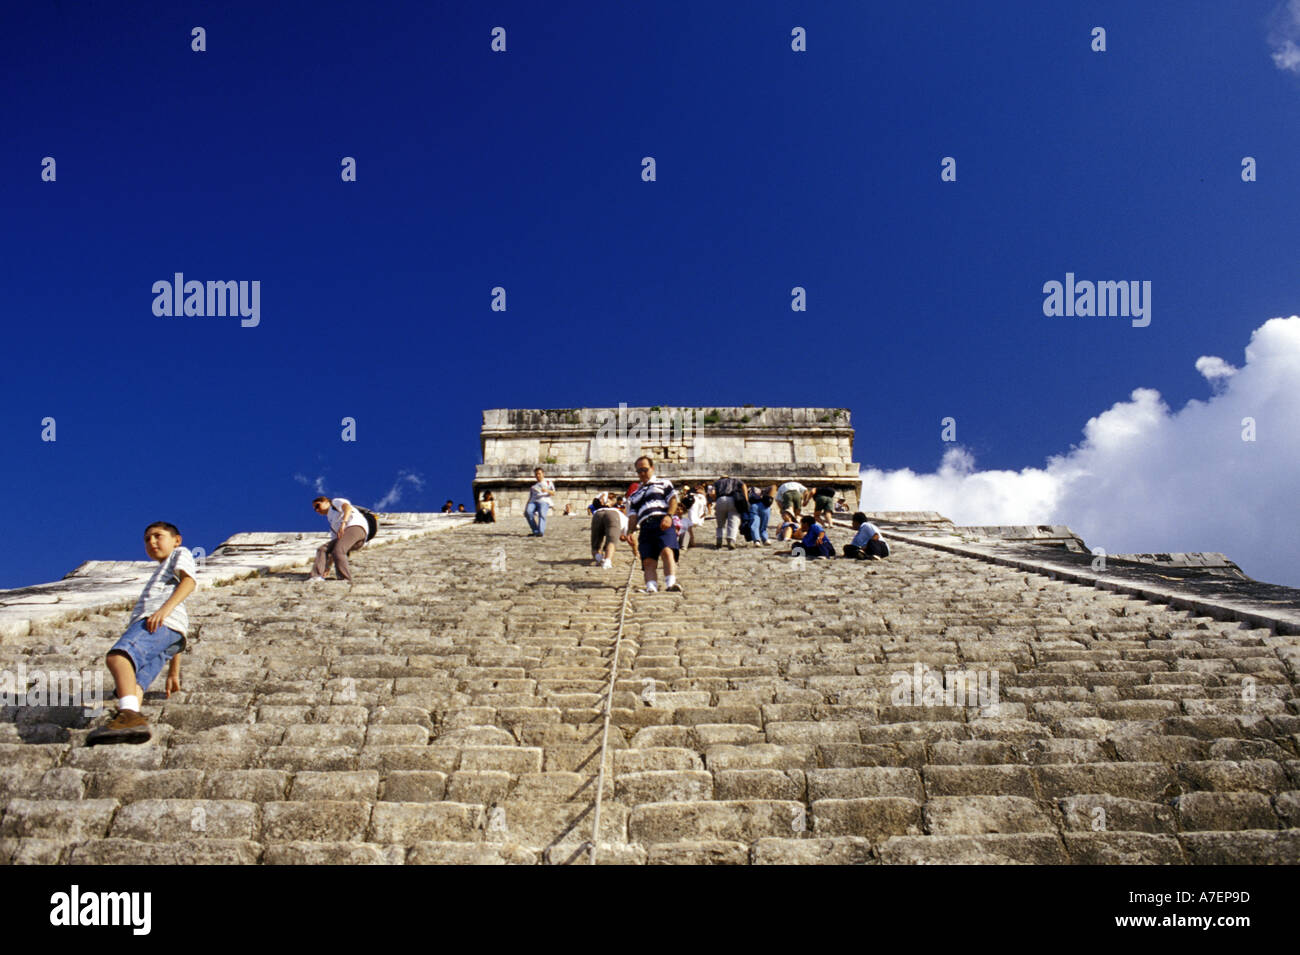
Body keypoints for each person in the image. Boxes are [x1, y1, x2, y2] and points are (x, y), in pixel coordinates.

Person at [85, 522, 196, 745]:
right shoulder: (161, 570)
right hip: (169, 632)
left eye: (158, 536)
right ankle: (127, 730)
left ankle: (129, 716)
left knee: (119, 657)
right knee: (134, 681)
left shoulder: (180, 554)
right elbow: (177, 630)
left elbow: (189, 581)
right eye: (147, 539)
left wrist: (162, 611)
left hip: (156, 621)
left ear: (177, 540)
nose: (152, 542)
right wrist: (174, 671)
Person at [621, 456, 682, 594]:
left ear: (652, 468)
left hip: (662, 521)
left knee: (667, 551)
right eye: (639, 471)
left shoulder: (664, 483)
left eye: (645, 469)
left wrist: (669, 516)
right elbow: (633, 515)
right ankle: (651, 587)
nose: (642, 473)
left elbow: (673, 501)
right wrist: (630, 532)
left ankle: (670, 583)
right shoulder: (634, 495)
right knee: (648, 560)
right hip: (645, 526)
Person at [310, 495, 369, 583]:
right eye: (315, 509)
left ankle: (344, 579)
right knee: (322, 549)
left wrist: (343, 523)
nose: (317, 510)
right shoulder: (331, 522)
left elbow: (347, 508)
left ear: (326, 501)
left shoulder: (335, 502)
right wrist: (328, 567)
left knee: (338, 550)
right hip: (347, 536)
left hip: (355, 528)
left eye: (318, 506)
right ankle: (317, 576)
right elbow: (334, 547)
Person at [712, 475, 748, 549]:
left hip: (720, 499)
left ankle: (719, 540)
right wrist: (746, 498)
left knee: (720, 523)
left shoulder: (717, 482)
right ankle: (731, 540)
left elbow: (712, 493)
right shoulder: (735, 480)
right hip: (733, 500)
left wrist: (716, 499)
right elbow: (744, 486)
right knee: (733, 521)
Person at [590, 493, 621, 568]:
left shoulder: (597, 509)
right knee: (611, 541)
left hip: (597, 515)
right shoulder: (616, 511)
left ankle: (599, 558)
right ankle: (607, 560)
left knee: (595, 545)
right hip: (612, 516)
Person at [524, 467, 556, 537]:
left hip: (543, 500)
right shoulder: (533, 486)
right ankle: (535, 531)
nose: (538, 475)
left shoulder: (548, 482)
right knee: (528, 512)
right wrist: (526, 507)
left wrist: (546, 490)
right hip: (533, 501)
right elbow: (530, 497)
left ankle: (540, 531)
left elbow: (553, 493)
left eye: (539, 473)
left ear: (543, 474)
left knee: (542, 513)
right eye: (536, 474)